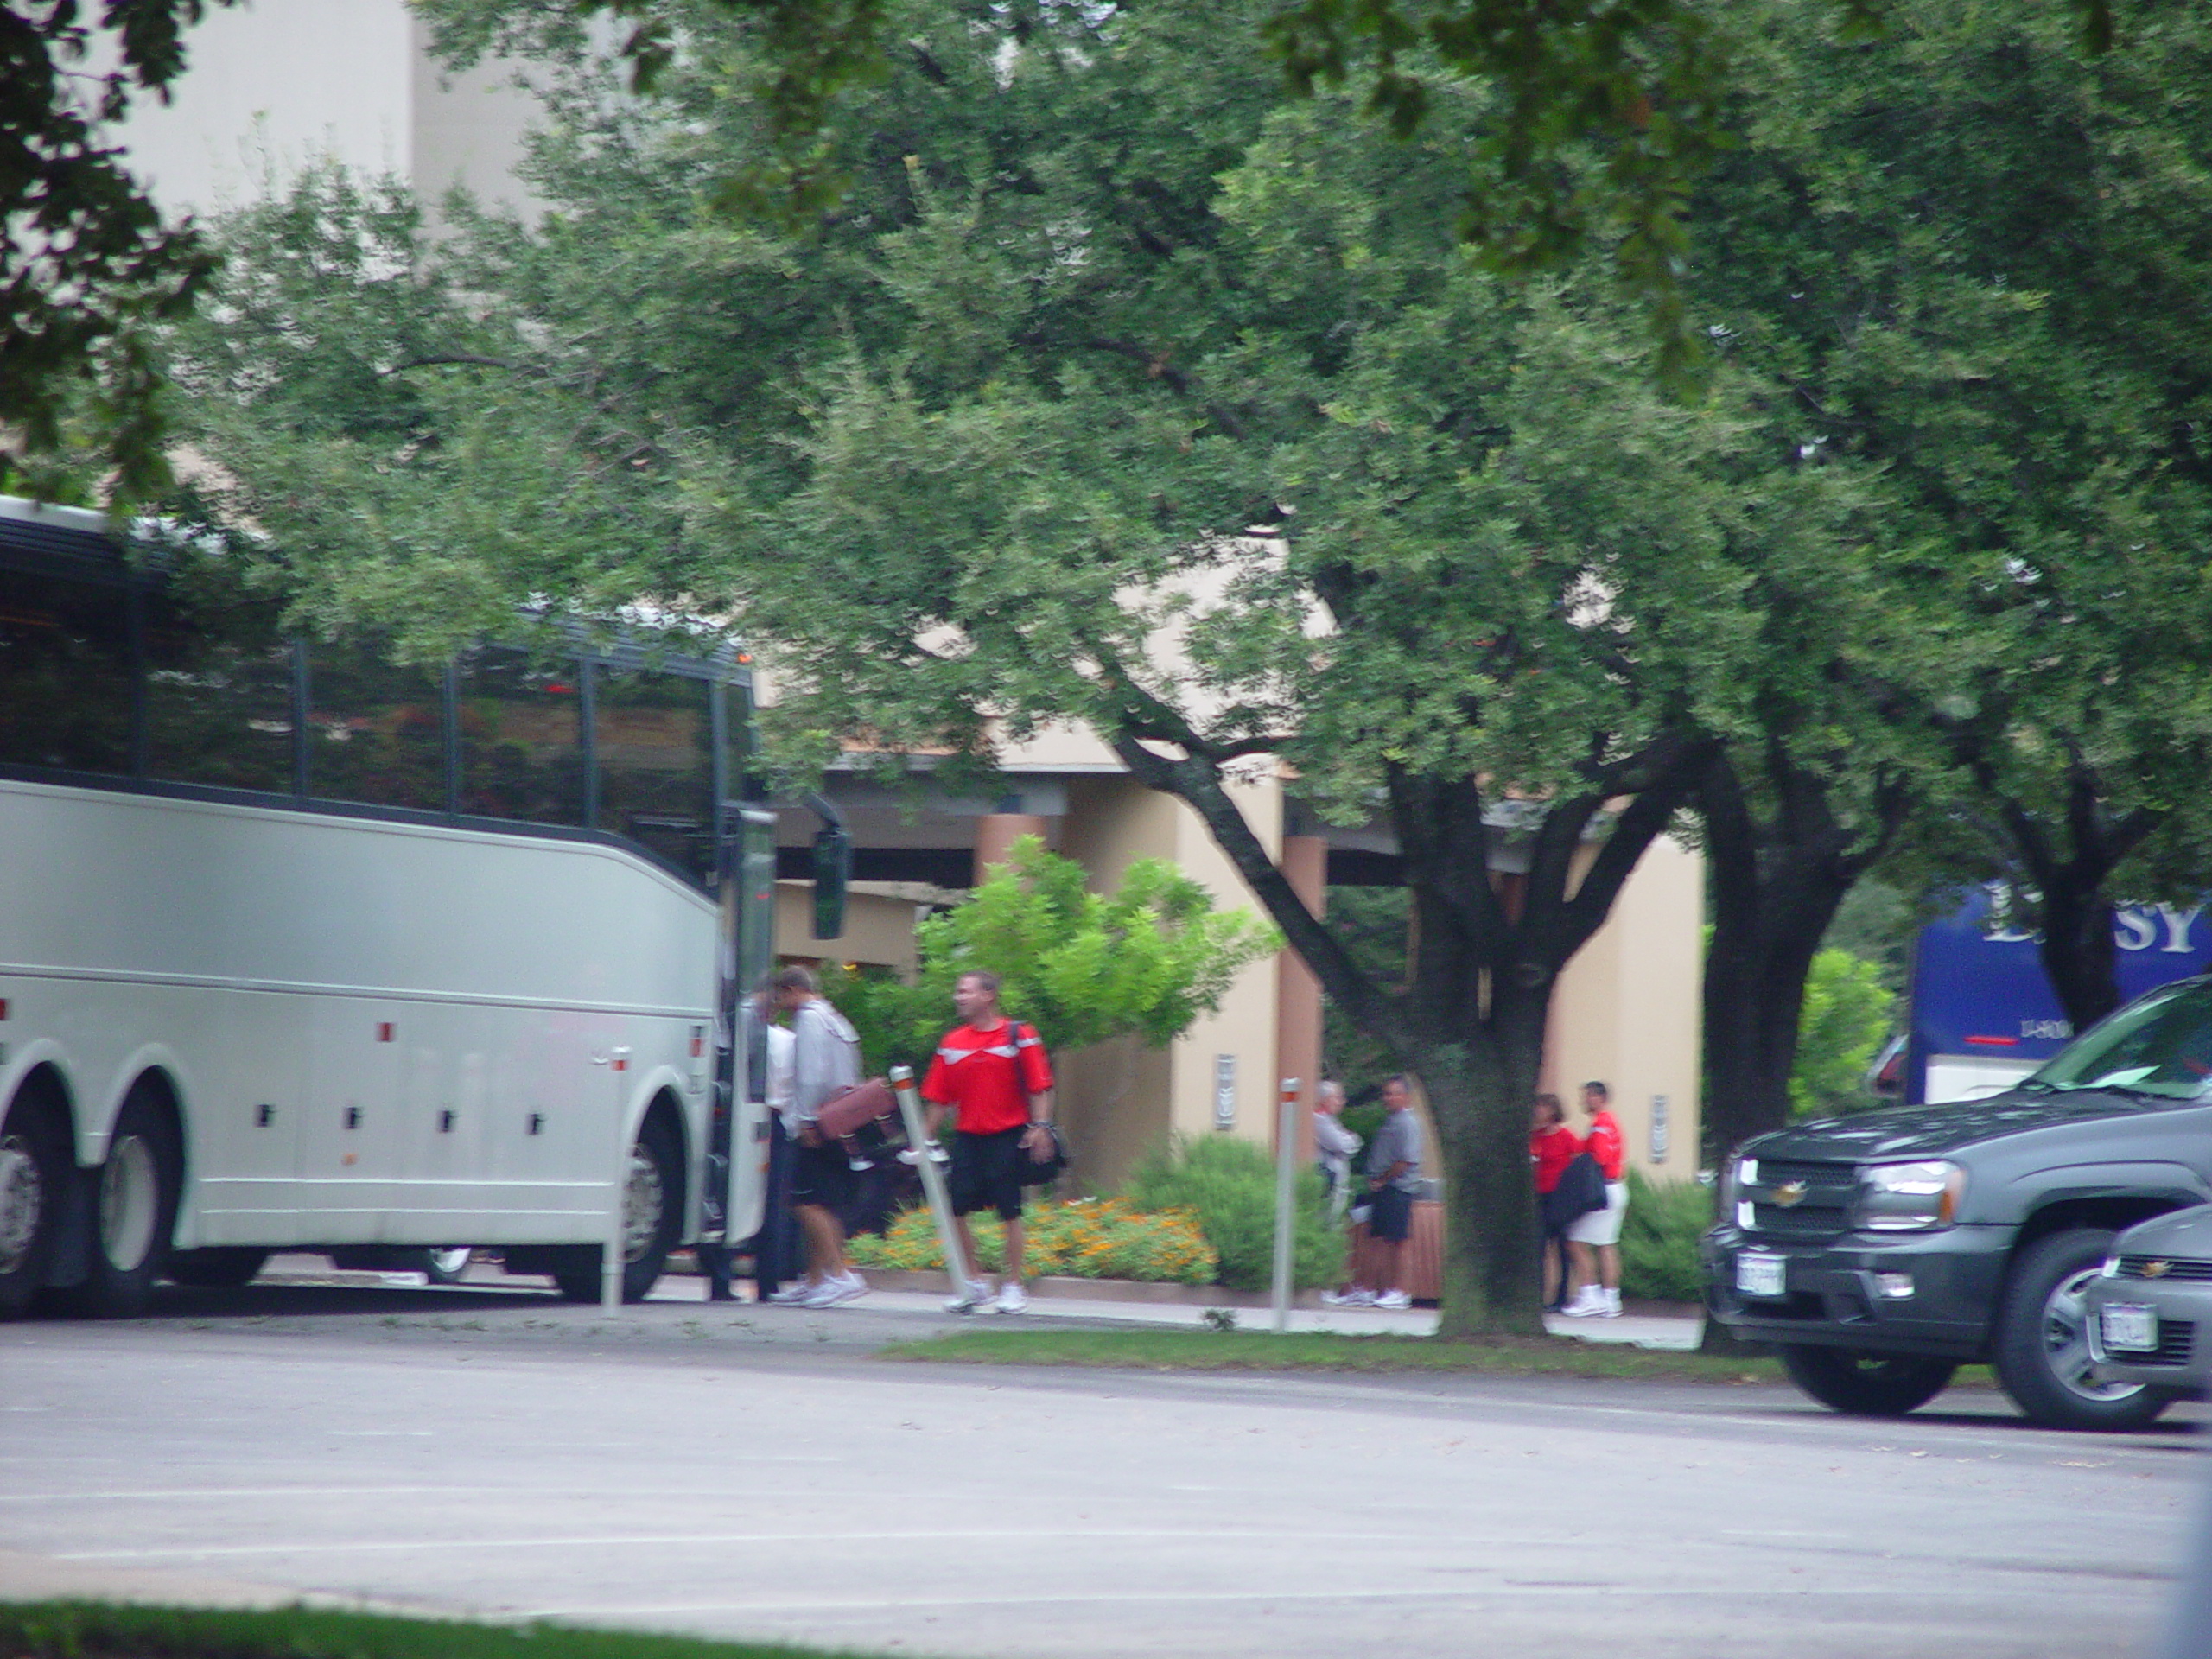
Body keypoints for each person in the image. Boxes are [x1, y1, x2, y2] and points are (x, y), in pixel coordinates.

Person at [920, 969, 1055, 1314]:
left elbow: (1039, 1085)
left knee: (1010, 1212)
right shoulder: (952, 1042)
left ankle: (1013, 1285)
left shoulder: (1018, 1035)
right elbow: (939, 1097)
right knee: (957, 1209)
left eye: (966, 991)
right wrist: (923, 1140)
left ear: (988, 995)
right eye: (958, 991)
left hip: (1008, 1135)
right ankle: (975, 1282)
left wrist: (1040, 1127)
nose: (959, 997)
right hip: (968, 1136)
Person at [777, 965, 870, 1307]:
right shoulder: (835, 1018)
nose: (780, 1004)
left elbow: (810, 1075)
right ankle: (816, 1279)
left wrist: (804, 1121)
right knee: (823, 1201)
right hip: (840, 1117)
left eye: (781, 995)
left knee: (805, 1201)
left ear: (790, 990)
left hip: (816, 1120)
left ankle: (839, 1274)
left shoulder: (810, 1020)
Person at [1561, 1079, 1628, 1319]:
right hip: (1616, 1187)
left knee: (1576, 1242)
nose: (1584, 1100)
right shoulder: (1611, 1122)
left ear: (1599, 1097)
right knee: (1607, 1244)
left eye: (1587, 1096)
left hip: (1601, 1191)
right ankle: (1611, 1300)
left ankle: (1589, 1296)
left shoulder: (1599, 1124)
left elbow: (1597, 1157)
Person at [1359, 1076, 1422, 1311]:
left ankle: (1400, 1292)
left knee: (1398, 1242)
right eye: (1386, 1093)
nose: (1388, 1098)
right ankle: (1368, 1289)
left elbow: (1406, 1160)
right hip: (1383, 1189)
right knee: (1377, 1240)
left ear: (1405, 1096)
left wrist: (1383, 1180)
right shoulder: (1392, 1120)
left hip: (1397, 1188)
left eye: (1393, 1093)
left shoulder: (1408, 1123)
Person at [1529, 1092, 1580, 1313]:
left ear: (1552, 1111)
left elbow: (1579, 1161)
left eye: (1543, 1107)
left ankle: (1561, 1296)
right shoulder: (1536, 1136)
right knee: (1539, 1247)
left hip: (1559, 1196)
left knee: (1562, 1247)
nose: (1538, 1111)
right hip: (1540, 1195)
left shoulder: (1566, 1136)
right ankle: (1537, 1296)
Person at [1313, 1080, 1361, 1223]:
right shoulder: (1319, 1119)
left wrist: (1349, 1142)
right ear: (1325, 1099)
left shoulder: (1330, 1120)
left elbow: (1355, 1143)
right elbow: (1341, 1145)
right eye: (1338, 1097)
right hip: (1330, 1180)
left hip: (1338, 1180)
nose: (1342, 1102)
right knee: (1327, 1221)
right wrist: (1349, 1141)